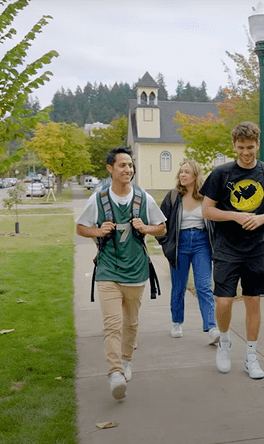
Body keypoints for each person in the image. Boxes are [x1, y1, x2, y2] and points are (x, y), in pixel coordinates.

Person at [200, 122, 264, 380]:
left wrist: (263, 218)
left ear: (258, 145)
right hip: (227, 248)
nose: (245, 152)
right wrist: (234, 216)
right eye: (240, 147)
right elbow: (206, 210)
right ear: (234, 146)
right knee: (224, 301)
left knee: (253, 301)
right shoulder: (221, 174)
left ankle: (251, 355)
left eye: (250, 147)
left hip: (255, 249)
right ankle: (225, 341)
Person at [76, 146, 166, 400]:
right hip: (107, 270)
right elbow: (81, 227)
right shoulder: (99, 198)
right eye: (122, 165)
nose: (128, 170)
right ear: (110, 169)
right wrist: (98, 232)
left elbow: (162, 228)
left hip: (136, 271)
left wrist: (145, 227)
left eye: (130, 165)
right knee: (112, 325)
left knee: (131, 323)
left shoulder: (143, 198)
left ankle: (126, 360)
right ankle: (115, 373)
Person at [156, 160, 218, 343]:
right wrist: (166, 244)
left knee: (204, 286)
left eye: (187, 172)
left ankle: (211, 326)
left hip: (201, 244)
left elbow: (215, 222)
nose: (182, 175)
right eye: (181, 172)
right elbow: (159, 222)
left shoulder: (206, 197)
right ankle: (176, 322)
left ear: (195, 176)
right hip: (179, 244)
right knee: (179, 287)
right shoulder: (173, 196)